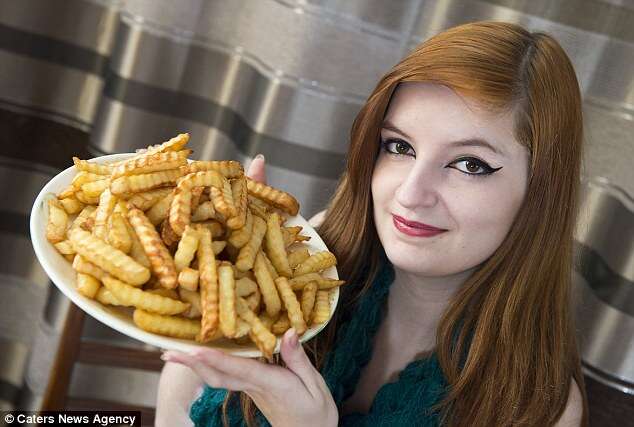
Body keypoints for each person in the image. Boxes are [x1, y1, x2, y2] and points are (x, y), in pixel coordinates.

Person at [156, 21, 589, 426]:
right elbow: (180, 400)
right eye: (399, 146)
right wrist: (217, 279)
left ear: (540, 191)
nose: (410, 193)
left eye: (470, 164)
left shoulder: (542, 409)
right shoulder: (318, 252)